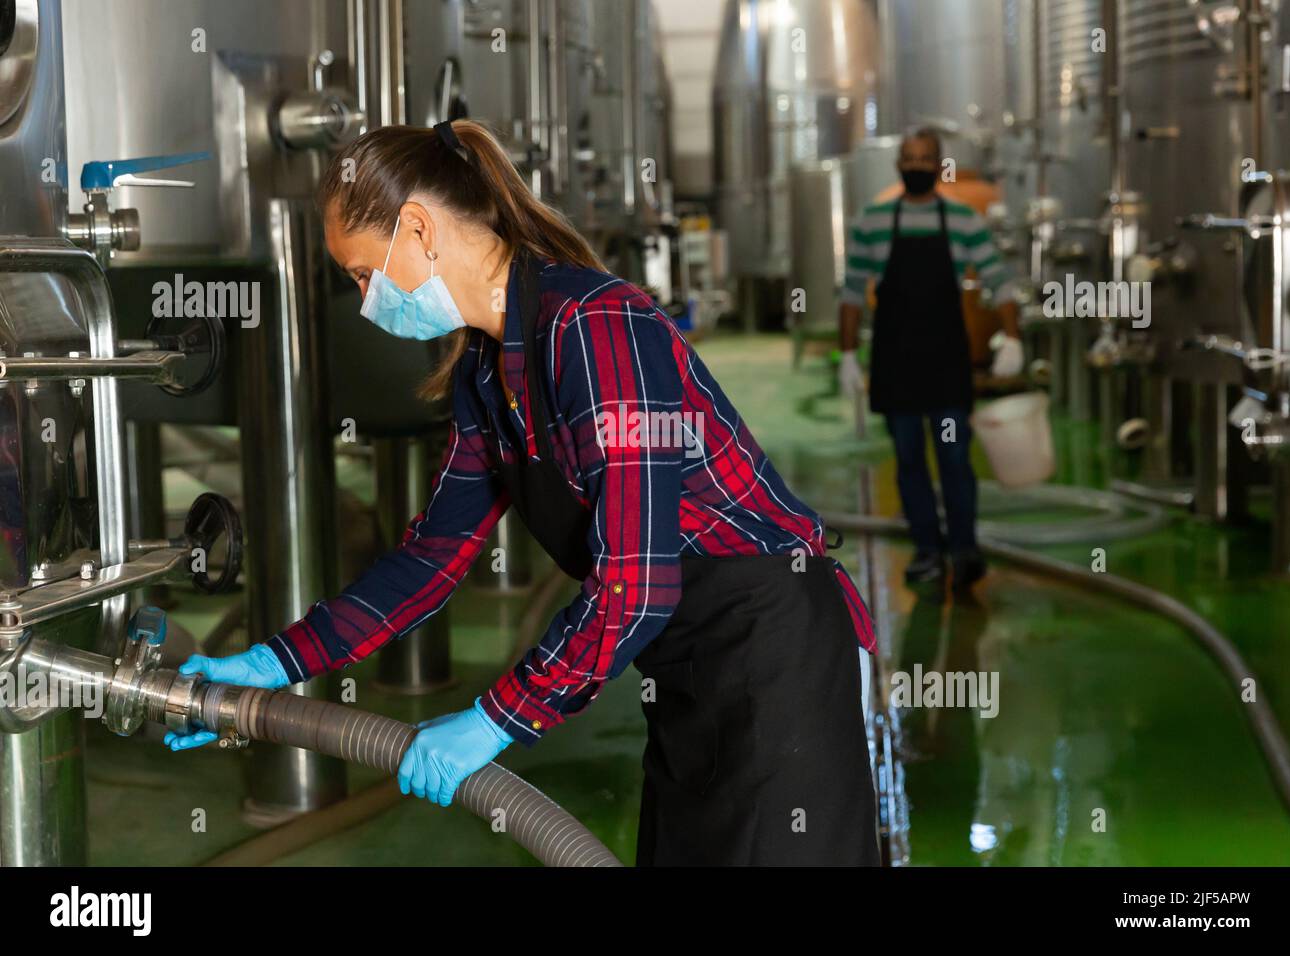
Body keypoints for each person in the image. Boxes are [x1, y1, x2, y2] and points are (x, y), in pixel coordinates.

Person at [165, 120, 881, 867]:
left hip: (776, 654)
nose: (365, 299)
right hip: (685, 671)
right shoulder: (486, 374)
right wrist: (276, 662)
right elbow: (429, 560)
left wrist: (493, 721)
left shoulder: (599, 329)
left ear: (418, 229)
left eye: (361, 275)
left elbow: (636, 586)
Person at [838, 127, 1022, 589]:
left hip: (945, 361)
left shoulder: (964, 220)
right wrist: (846, 355)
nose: (916, 166)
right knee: (908, 459)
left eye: (925, 159)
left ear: (939, 167)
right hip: (896, 361)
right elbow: (852, 293)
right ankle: (926, 550)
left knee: (955, 457)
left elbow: (999, 281)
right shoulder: (873, 220)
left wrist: (1013, 338)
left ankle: (963, 549)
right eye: (909, 158)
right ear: (898, 164)